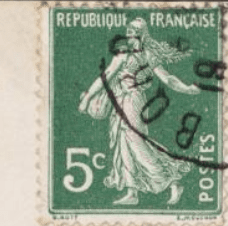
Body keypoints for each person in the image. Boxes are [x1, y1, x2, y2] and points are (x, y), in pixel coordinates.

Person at [77, 18, 203, 206]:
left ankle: (172, 182)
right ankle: (132, 192)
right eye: (128, 31)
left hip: (133, 101)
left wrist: (186, 89)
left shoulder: (145, 55)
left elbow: (167, 78)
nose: (129, 35)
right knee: (123, 144)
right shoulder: (123, 55)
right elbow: (106, 77)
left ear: (141, 34)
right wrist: (87, 98)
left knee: (137, 143)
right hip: (122, 101)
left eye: (133, 31)